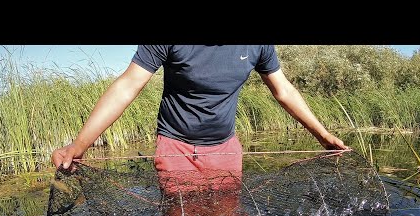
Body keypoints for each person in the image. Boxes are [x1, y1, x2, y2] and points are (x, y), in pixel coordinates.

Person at [51, 45, 348, 178]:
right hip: (176, 149)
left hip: (227, 148)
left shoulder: (258, 44)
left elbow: (284, 91)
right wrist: (79, 144)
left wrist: (323, 135)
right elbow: (127, 86)